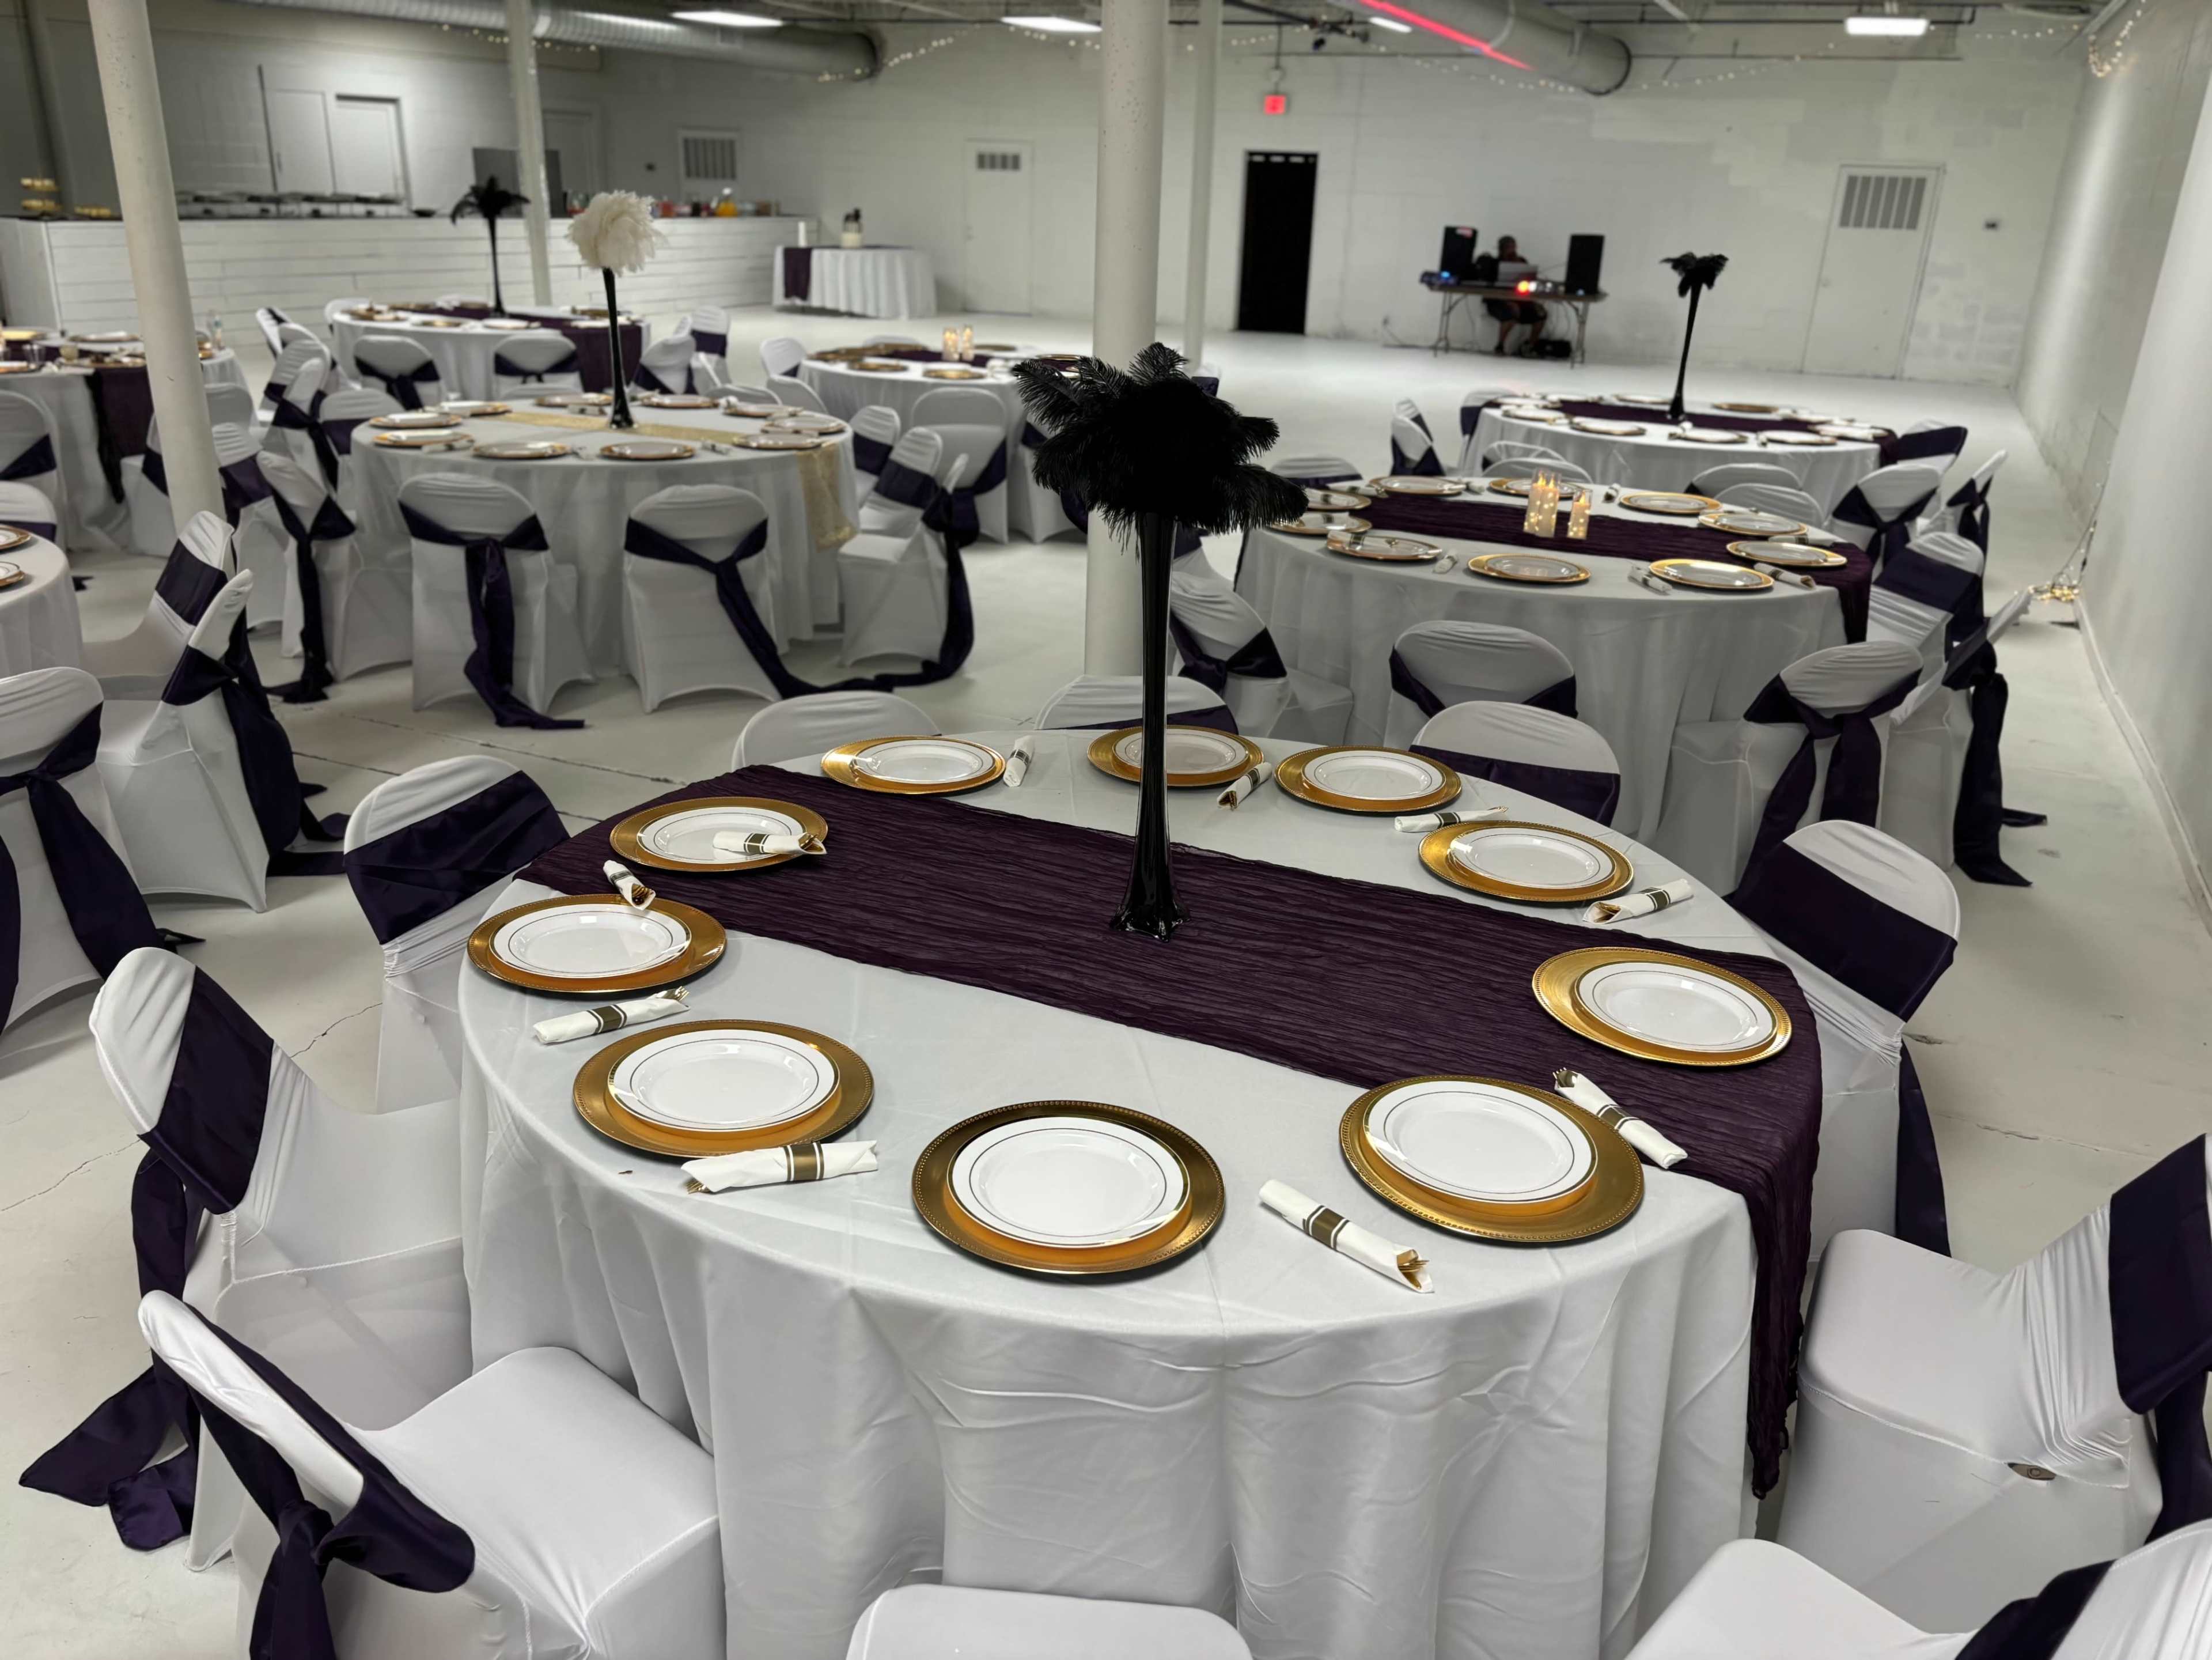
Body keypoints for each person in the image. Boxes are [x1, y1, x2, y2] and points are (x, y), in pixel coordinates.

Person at [1469, 235, 1548, 357]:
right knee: (1511, 312)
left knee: (1541, 313)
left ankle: (1530, 346)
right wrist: (1506, 301)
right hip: (1497, 301)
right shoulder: (1493, 264)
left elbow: (1528, 284)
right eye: (1509, 247)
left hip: (1520, 301)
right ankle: (1500, 346)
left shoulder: (1522, 262)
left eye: (1514, 247)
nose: (1512, 250)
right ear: (1502, 249)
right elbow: (1489, 287)